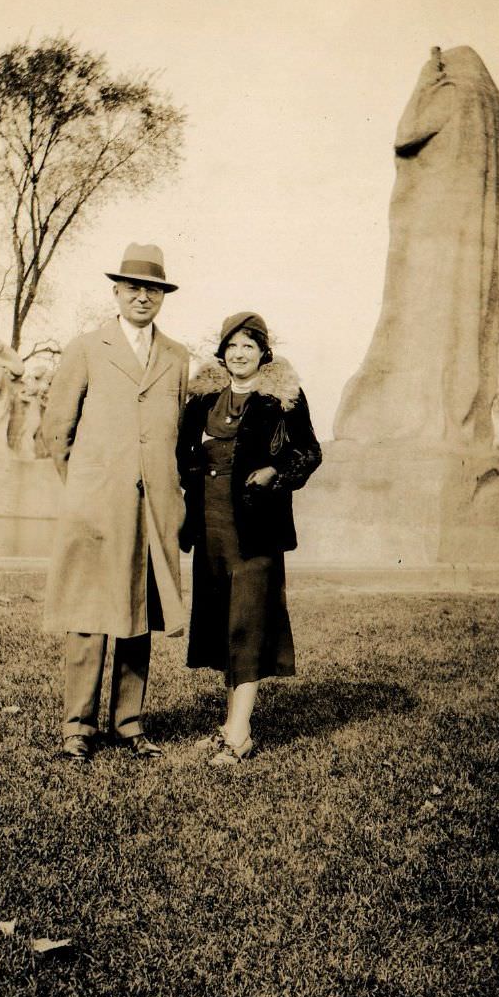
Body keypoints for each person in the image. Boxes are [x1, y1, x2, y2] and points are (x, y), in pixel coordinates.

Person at [43, 243, 189, 761]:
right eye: (133, 288)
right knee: (87, 614)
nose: (142, 297)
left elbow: (172, 434)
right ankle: (76, 727)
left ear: (162, 297)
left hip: (153, 510)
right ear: (117, 292)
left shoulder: (176, 356)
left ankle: (129, 723)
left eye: (152, 289)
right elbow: (56, 430)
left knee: (139, 613)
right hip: (96, 506)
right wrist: (87, 487)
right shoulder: (87, 346)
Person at [177, 312, 321, 765]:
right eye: (233, 346)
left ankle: (240, 734)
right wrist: (199, 467)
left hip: (256, 528)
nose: (240, 354)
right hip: (211, 525)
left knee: (248, 622)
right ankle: (228, 725)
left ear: (263, 353)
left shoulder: (283, 399)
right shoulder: (202, 398)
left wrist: (275, 471)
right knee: (224, 622)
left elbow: (309, 451)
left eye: (249, 346)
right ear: (222, 352)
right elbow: (182, 453)